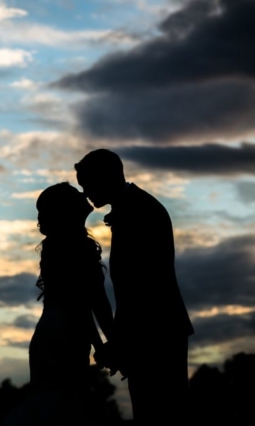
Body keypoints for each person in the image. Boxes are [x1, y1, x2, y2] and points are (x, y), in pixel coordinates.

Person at [75, 149, 194, 424]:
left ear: (108, 176)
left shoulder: (139, 211)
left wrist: (121, 343)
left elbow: (145, 287)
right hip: (152, 332)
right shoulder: (133, 207)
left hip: (156, 333)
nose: (85, 193)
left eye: (87, 184)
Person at [4, 182, 114, 424]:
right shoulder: (65, 247)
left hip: (61, 334)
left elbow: (94, 301)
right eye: (77, 194)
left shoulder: (69, 245)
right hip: (62, 337)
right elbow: (80, 304)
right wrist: (104, 345)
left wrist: (109, 344)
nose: (84, 194)